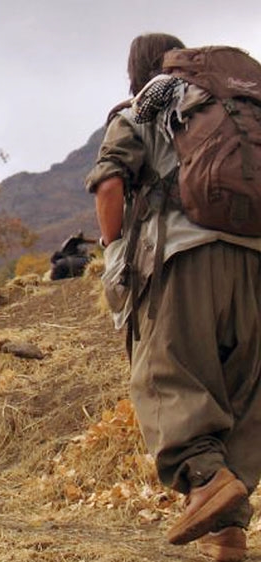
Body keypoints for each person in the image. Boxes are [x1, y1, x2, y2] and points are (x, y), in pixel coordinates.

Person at [86, 33, 261, 561]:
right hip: (256, 263)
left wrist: (113, 245)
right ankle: (228, 535)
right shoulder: (233, 110)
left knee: (164, 375)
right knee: (241, 395)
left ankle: (204, 480)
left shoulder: (147, 105)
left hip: (184, 260)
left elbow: (111, 186)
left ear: (134, 72)